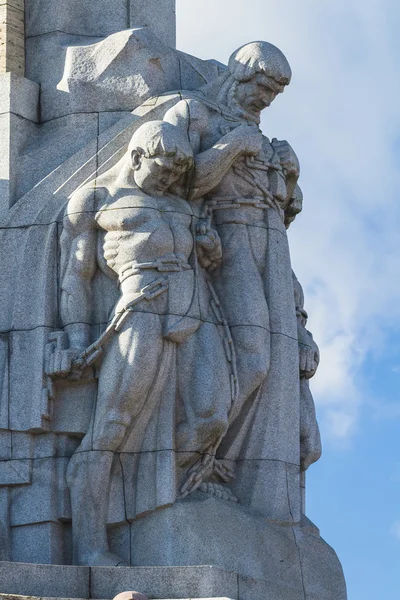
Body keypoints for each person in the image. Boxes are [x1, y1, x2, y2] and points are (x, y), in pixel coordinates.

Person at [47, 120, 235, 566]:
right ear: (135, 157)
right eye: (162, 170)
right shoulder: (94, 200)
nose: (169, 180)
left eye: (176, 173)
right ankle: (91, 542)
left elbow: (207, 258)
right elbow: (76, 277)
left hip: (191, 309)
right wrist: (77, 339)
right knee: (113, 422)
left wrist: (210, 249)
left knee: (212, 414)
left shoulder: (184, 207)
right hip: (139, 308)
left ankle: (149, 496)